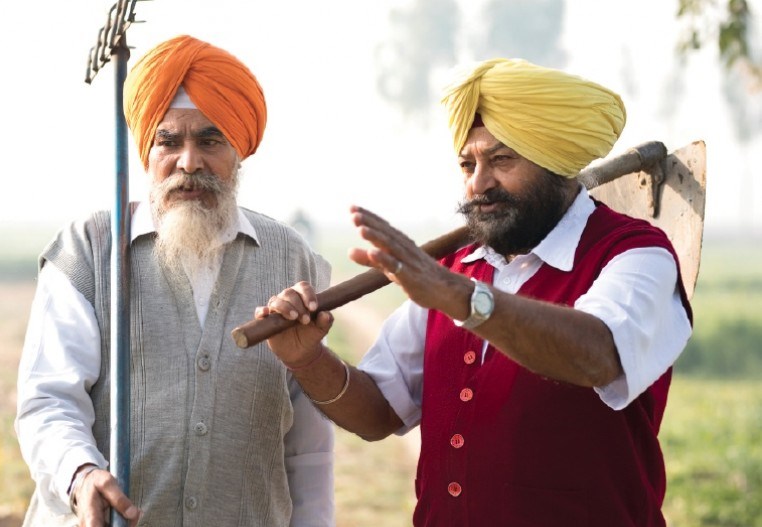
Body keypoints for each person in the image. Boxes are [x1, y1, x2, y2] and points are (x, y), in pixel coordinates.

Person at [258, 58, 693, 527]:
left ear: (558, 163)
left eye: (501, 160)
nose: (479, 183)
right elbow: (379, 411)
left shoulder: (636, 254)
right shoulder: (456, 270)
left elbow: (598, 353)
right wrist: (307, 359)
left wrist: (463, 298)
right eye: (468, 164)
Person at [15, 34, 334, 527]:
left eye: (210, 140)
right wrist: (79, 475)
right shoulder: (90, 249)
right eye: (169, 141)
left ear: (239, 152)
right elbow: (49, 401)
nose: (189, 162)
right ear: (146, 149)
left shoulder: (293, 260)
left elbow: (309, 451)